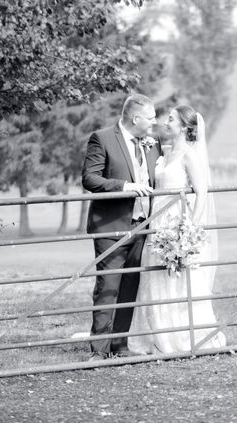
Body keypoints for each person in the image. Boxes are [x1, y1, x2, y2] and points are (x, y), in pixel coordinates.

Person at [128, 105, 227, 354]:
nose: (165, 122)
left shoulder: (189, 155)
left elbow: (202, 192)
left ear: (183, 126)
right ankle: (157, 335)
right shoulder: (166, 152)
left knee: (179, 279)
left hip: (176, 224)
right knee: (155, 277)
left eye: (170, 119)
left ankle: (182, 335)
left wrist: (190, 228)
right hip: (157, 225)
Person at [82, 93, 161, 360]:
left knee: (130, 286)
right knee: (108, 287)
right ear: (136, 117)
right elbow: (90, 178)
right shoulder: (102, 138)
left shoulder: (152, 143)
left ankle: (119, 345)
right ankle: (99, 350)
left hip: (143, 227)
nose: (154, 122)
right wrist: (125, 187)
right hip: (112, 227)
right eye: (150, 117)